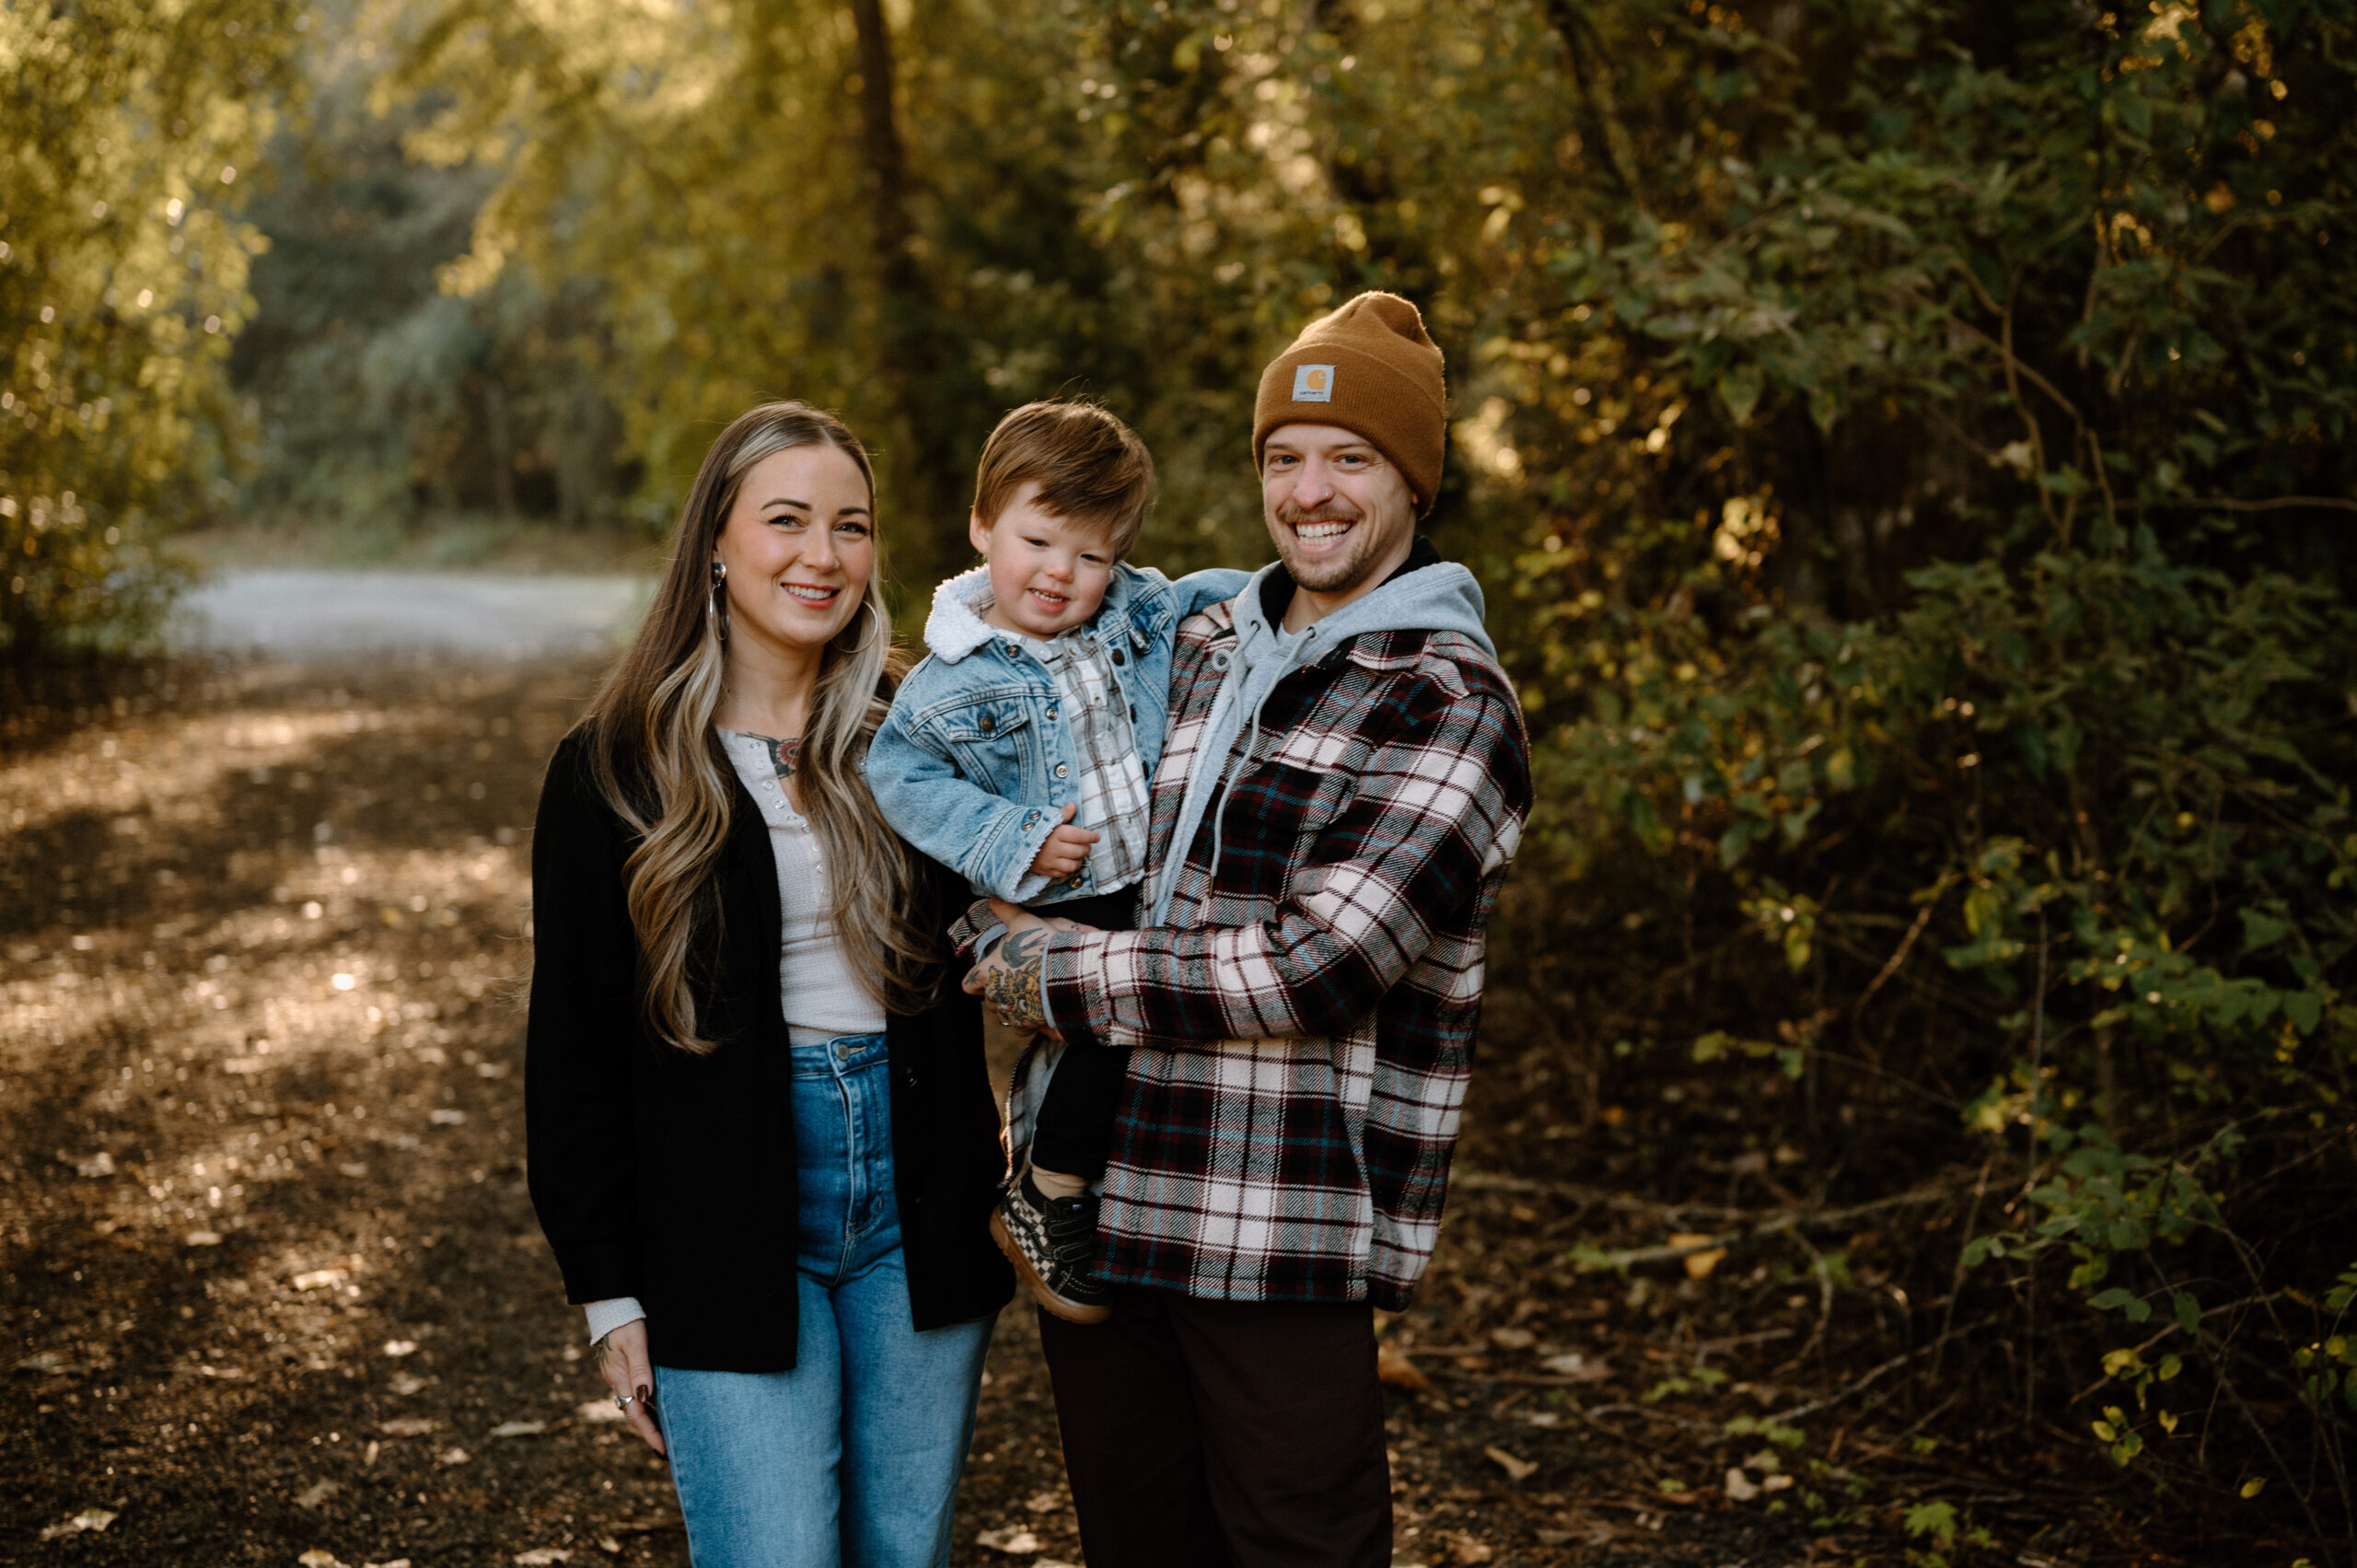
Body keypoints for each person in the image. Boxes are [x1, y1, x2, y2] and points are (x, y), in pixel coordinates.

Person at [964, 293, 1534, 1568]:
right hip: (1094, 1207)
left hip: (1277, 1224)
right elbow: (1032, 784)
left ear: (1413, 482)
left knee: (1296, 1548)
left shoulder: (1447, 699)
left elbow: (1319, 960)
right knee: (1136, 1541)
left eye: (1351, 458)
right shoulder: (1201, 639)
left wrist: (1040, 971)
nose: (1311, 489)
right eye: (1286, 455)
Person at [525, 401, 1014, 1568]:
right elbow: (573, 1049)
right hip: (720, 1205)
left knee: (905, 1550)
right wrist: (611, 1297)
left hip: (916, 1199)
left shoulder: (923, 730)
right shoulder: (616, 768)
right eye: (786, 519)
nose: (822, 555)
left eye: (851, 526)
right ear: (716, 543)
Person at [865, 401, 1246, 1324]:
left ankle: (1091, 1182)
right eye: (1038, 541)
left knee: (1148, 1020)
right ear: (981, 526)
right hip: (1055, 899)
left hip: (1144, 884)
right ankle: (1047, 1184)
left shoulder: (1133, 616)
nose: (1061, 574)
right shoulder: (951, 679)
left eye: (1092, 556)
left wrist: (1322, 592)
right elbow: (899, 772)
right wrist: (1010, 837)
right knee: (1124, 1016)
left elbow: (1221, 590)